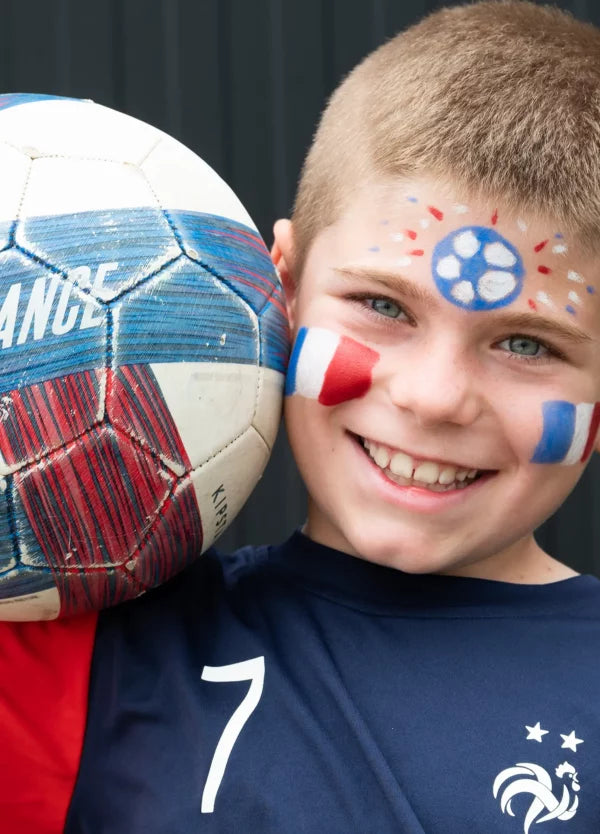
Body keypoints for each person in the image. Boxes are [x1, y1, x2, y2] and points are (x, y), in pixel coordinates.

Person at [4, 1, 600, 831]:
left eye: (529, 346)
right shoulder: (97, 654)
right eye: (383, 305)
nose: (432, 396)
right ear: (277, 290)